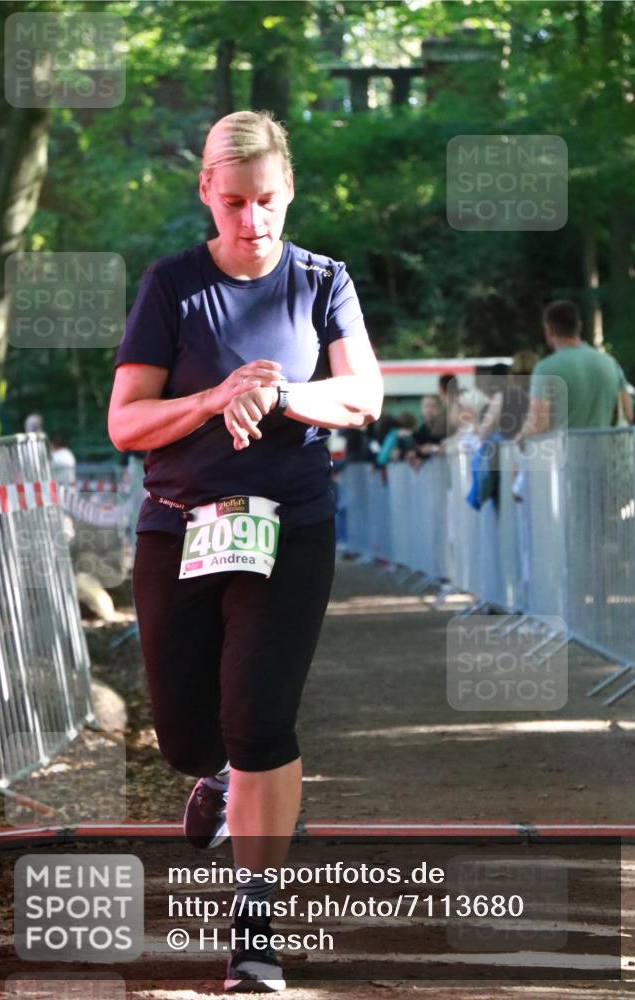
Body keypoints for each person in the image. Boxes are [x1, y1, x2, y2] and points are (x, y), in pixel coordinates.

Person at [108, 110, 383, 993]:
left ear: (288, 191)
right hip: (180, 523)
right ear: (205, 194)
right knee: (191, 735)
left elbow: (364, 395)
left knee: (261, 721)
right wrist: (212, 396)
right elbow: (125, 422)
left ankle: (254, 924)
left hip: (288, 527)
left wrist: (280, 394)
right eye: (233, 202)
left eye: (267, 200)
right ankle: (216, 778)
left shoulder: (321, 282)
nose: (252, 220)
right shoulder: (172, 287)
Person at [518, 300, 633, 439]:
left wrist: (520, 438)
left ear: (549, 330)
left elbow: (537, 424)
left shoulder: (546, 367)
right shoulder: (610, 363)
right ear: (579, 327)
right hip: (605, 455)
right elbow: (629, 414)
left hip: (564, 456)